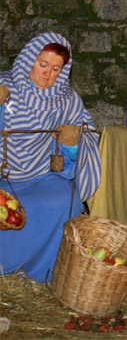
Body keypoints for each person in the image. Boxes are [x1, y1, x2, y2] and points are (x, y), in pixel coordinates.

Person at [0, 32, 101, 282]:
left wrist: (71, 144)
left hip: (41, 176)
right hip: (5, 176)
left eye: (56, 68)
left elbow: (88, 136)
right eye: (42, 64)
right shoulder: (5, 87)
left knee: (68, 201)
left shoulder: (67, 101)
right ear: (28, 60)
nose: (47, 74)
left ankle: (43, 271)